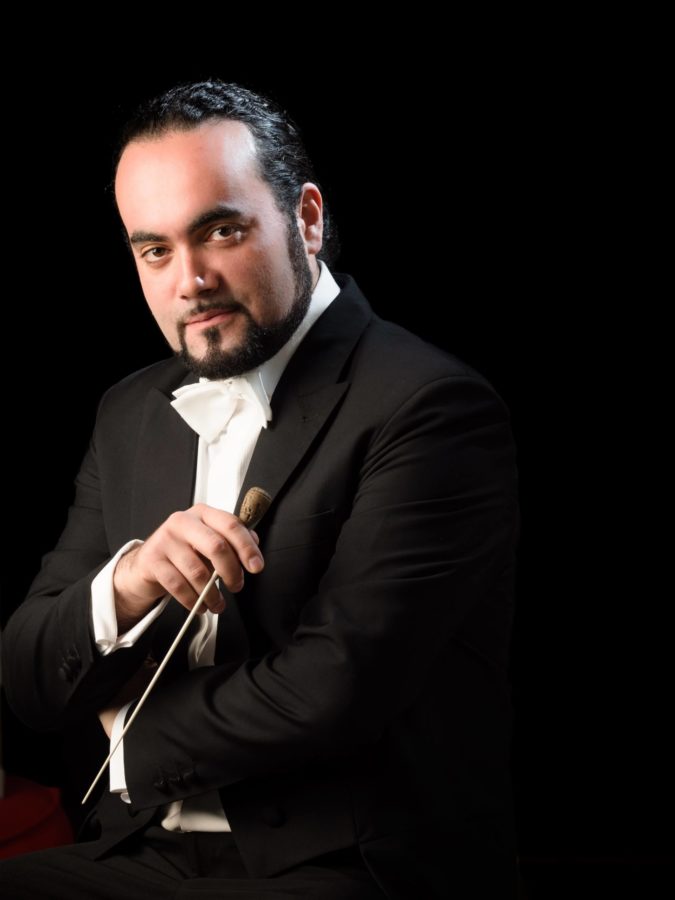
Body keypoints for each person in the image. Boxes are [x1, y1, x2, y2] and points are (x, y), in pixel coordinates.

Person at [0, 80, 520, 899]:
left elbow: (337, 686)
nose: (189, 280)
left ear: (305, 219)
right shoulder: (129, 412)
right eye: (155, 250)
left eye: (220, 231)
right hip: (142, 857)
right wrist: (125, 584)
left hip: (348, 868)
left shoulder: (428, 405)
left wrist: (129, 736)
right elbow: (28, 677)